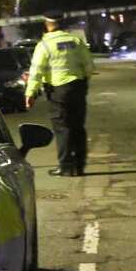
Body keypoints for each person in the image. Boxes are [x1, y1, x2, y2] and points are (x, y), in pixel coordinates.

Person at [25, 10, 94, 177]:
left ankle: (65, 166)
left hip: (58, 92)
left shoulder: (44, 45)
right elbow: (89, 66)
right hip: (77, 88)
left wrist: (30, 94)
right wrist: (83, 83)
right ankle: (79, 166)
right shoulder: (76, 41)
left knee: (63, 128)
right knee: (78, 128)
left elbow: (36, 72)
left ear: (47, 25)